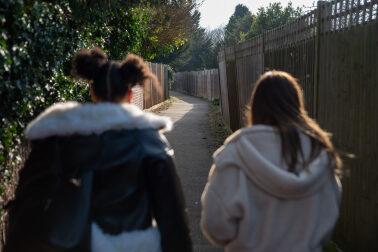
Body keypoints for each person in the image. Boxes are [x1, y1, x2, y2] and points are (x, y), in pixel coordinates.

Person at [5, 47, 192, 252]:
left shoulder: (56, 137)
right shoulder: (149, 142)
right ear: (130, 95)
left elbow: (25, 199)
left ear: (93, 93)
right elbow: (172, 218)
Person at [200, 71, 342, 252]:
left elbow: (215, 226)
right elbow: (329, 215)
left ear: (256, 106)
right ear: (297, 105)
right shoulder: (319, 154)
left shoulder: (236, 155)